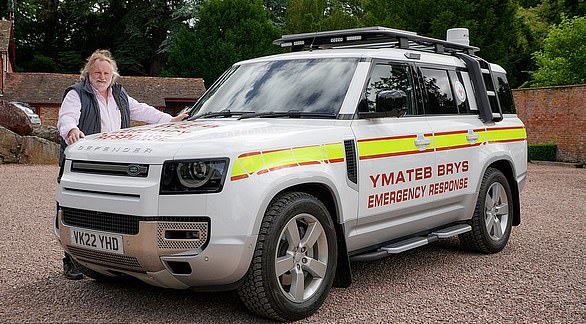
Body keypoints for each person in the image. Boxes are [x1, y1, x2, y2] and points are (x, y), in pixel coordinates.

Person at [57, 49, 187, 279]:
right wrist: (72, 130)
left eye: (106, 72)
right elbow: (66, 117)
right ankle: (72, 260)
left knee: (110, 209)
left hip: (115, 164)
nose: (101, 76)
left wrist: (170, 121)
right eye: (96, 72)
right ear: (88, 73)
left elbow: (142, 110)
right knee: (78, 209)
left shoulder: (119, 94)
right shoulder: (76, 94)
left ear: (113, 75)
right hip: (85, 164)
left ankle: (107, 254)